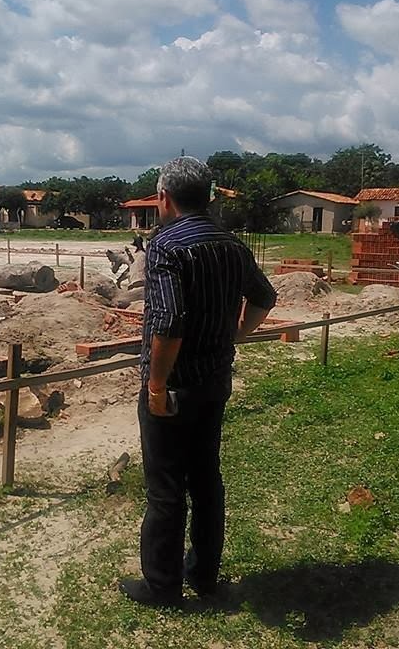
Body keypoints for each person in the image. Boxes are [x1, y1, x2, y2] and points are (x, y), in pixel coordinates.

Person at [118, 156, 277, 608]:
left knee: (166, 488)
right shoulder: (232, 245)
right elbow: (265, 296)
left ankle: (162, 586)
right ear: (208, 197)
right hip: (214, 381)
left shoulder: (166, 245)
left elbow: (167, 322)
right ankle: (204, 575)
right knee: (206, 478)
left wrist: (155, 386)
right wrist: (234, 336)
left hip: (174, 387)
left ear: (163, 197)